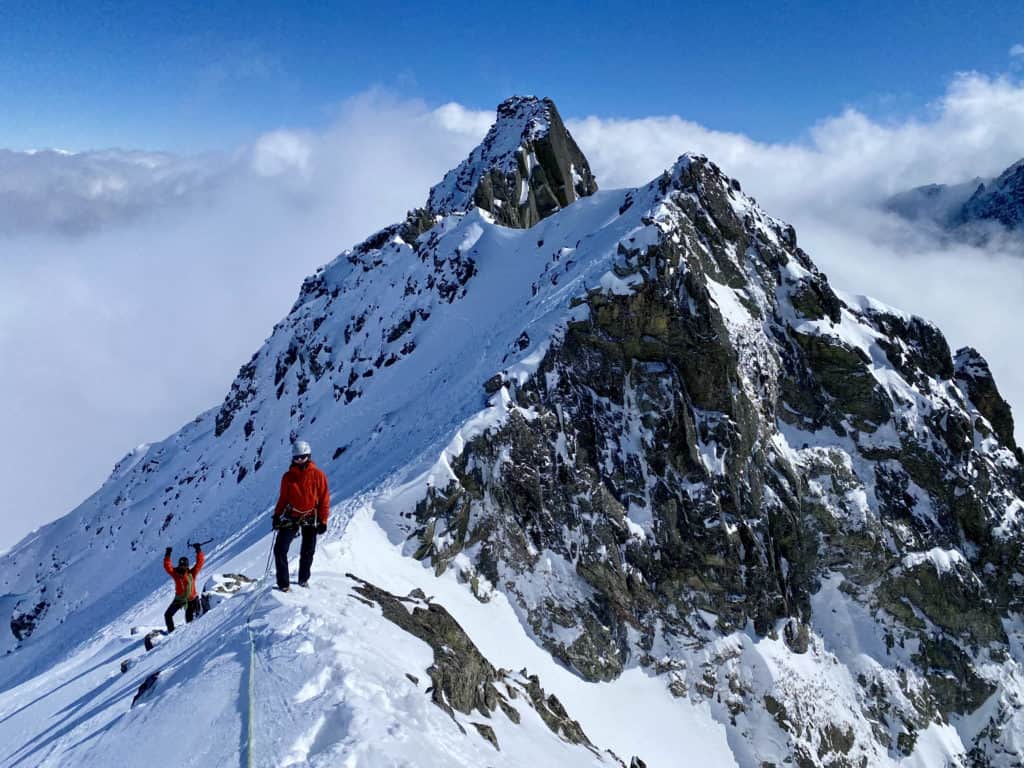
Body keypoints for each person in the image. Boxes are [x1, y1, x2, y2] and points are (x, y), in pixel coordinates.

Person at [272, 440, 330, 591]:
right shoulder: (287, 477)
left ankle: (303, 579)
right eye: (296, 458)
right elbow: (283, 498)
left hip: (311, 516)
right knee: (280, 548)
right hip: (292, 515)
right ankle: (284, 584)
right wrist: (277, 515)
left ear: (308, 456)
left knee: (308, 551)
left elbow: (324, 499)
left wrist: (323, 520)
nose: (299, 460)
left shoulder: (318, 475)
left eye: (302, 457)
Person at [163, 542, 204, 632]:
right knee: (167, 615)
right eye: (181, 565)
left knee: (190, 621)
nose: (182, 567)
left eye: (184, 565)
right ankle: (171, 633)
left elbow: (199, 563)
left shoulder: (191, 574)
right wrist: (168, 554)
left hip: (192, 600)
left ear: (187, 566)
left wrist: (198, 550)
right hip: (179, 599)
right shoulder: (176, 574)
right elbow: (167, 566)